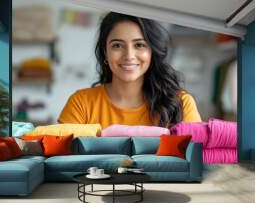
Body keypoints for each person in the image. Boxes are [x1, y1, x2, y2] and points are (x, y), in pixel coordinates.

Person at [58, 12, 201, 129]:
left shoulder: (181, 103)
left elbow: (194, 160)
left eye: (139, 45)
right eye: (117, 46)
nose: (129, 56)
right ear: (105, 52)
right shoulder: (81, 103)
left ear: (152, 51)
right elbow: (62, 160)